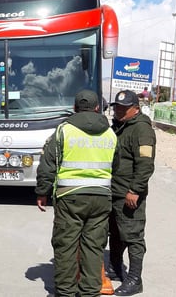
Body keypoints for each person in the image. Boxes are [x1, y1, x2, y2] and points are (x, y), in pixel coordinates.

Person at [35, 90, 117, 297]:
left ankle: (66, 291)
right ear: (98, 107)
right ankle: (89, 291)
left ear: (75, 108)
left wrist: (42, 191)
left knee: (66, 244)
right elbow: (116, 165)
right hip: (101, 197)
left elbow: (48, 163)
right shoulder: (110, 133)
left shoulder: (63, 131)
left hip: (70, 197)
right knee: (93, 246)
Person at [107, 89, 156, 296]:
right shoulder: (118, 127)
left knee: (133, 236)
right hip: (114, 191)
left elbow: (145, 164)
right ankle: (116, 268)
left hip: (129, 192)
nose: (118, 111)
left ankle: (135, 279)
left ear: (135, 108)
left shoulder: (142, 130)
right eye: (117, 107)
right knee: (116, 233)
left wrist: (134, 190)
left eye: (123, 108)